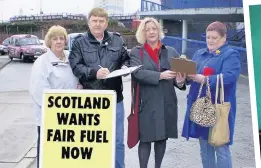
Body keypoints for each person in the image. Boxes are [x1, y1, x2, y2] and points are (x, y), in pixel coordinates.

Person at [68, 7, 129, 168]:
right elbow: (75, 66)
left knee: (117, 141)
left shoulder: (117, 39)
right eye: (94, 20)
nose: (98, 24)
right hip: (90, 100)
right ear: (88, 23)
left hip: (115, 98)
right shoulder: (79, 42)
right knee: (92, 140)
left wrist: (125, 67)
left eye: (101, 21)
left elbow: (125, 58)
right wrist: (95, 73)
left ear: (106, 23)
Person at [181, 21, 241, 168]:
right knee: (204, 148)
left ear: (224, 38)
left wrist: (205, 79)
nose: (210, 40)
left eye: (214, 38)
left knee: (220, 146)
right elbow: (192, 77)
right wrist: (184, 78)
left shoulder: (230, 54)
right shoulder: (199, 53)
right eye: (208, 37)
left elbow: (230, 76)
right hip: (200, 107)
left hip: (218, 108)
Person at [129, 17, 186, 168]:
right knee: (145, 139)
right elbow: (137, 73)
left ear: (159, 31)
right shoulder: (136, 52)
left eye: (154, 29)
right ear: (143, 33)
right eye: (147, 30)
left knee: (162, 138)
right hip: (146, 102)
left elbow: (179, 79)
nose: (151, 32)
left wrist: (180, 81)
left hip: (167, 100)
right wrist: (160, 76)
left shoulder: (171, 51)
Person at [29, 25, 81, 168]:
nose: (58, 41)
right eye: (55, 39)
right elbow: (38, 91)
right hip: (50, 117)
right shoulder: (42, 62)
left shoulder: (72, 57)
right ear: (49, 42)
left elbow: (78, 78)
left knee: (66, 154)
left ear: (65, 41)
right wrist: (58, 107)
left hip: (71, 117)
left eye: (61, 38)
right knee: (48, 155)